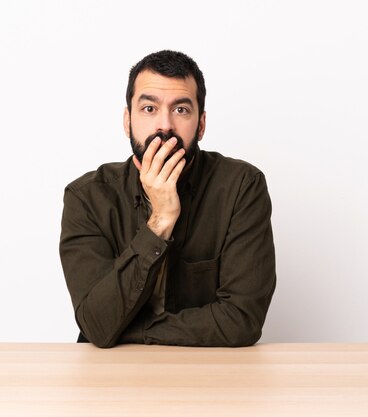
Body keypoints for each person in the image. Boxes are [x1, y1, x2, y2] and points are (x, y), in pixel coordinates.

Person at [59, 50, 276, 348]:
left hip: (205, 375)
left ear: (200, 124)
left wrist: (131, 332)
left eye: (181, 110)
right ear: (127, 121)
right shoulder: (87, 198)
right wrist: (160, 222)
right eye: (149, 108)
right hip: (111, 377)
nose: (165, 126)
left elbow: (242, 321)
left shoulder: (242, 187)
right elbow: (97, 323)